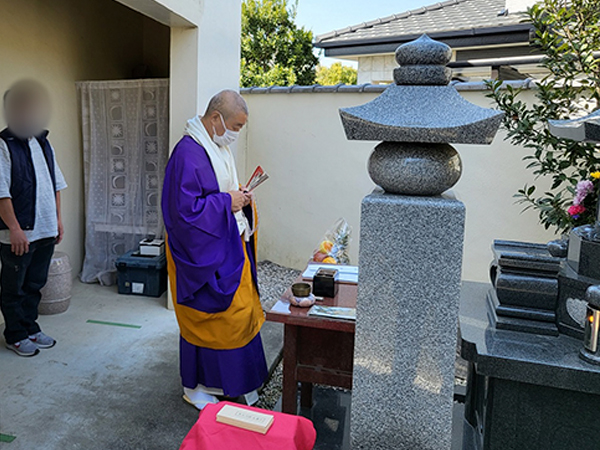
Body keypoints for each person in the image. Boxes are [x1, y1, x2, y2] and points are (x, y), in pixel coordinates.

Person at [162, 90, 267, 410]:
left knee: (243, 309)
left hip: (227, 245)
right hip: (201, 255)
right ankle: (196, 387)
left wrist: (239, 199)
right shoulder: (188, 154)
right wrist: (227, 202)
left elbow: (218, 192)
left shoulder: (215, 147)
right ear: (215, 119)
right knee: (219, 317)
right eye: (235, 126)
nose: (236, 133)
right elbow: (183, 214)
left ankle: (237, 381)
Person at [0, 80, 67, 357]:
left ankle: (30, 327)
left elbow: (56, 184)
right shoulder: (4, 145)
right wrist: (14, 228)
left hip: (45, 230)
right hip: (19, 233)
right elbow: (1, 192)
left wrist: (58, 221)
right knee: (13, 288)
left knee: (34, 285)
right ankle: (15, 335)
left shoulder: (43, 141)